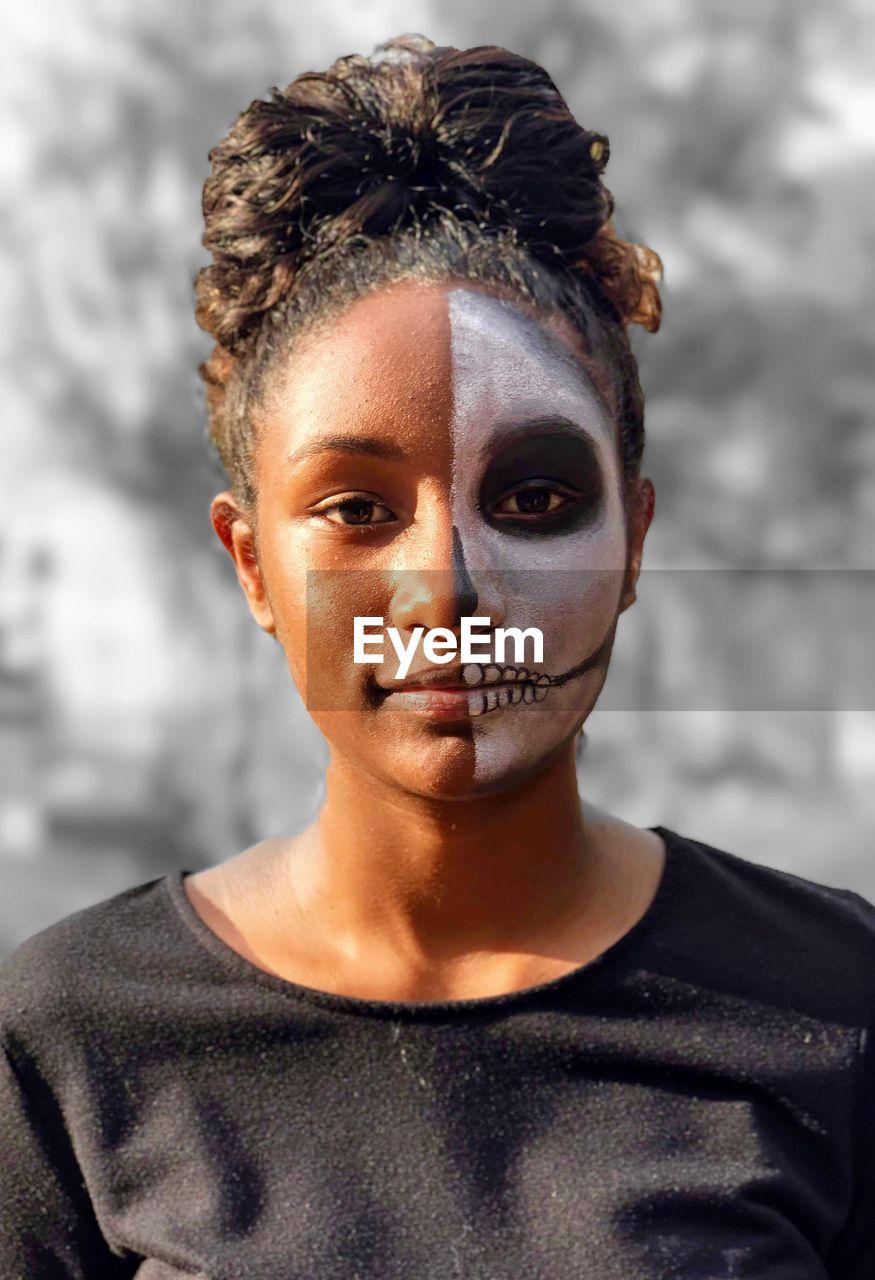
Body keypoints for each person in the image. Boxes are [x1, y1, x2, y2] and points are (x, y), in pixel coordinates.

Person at [1, 33, 873, 1279]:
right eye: (355, 509)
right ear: (251, 563)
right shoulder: (72, 1040)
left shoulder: (834, 1002)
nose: (448, 582)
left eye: (530, 497)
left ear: (633, 542)